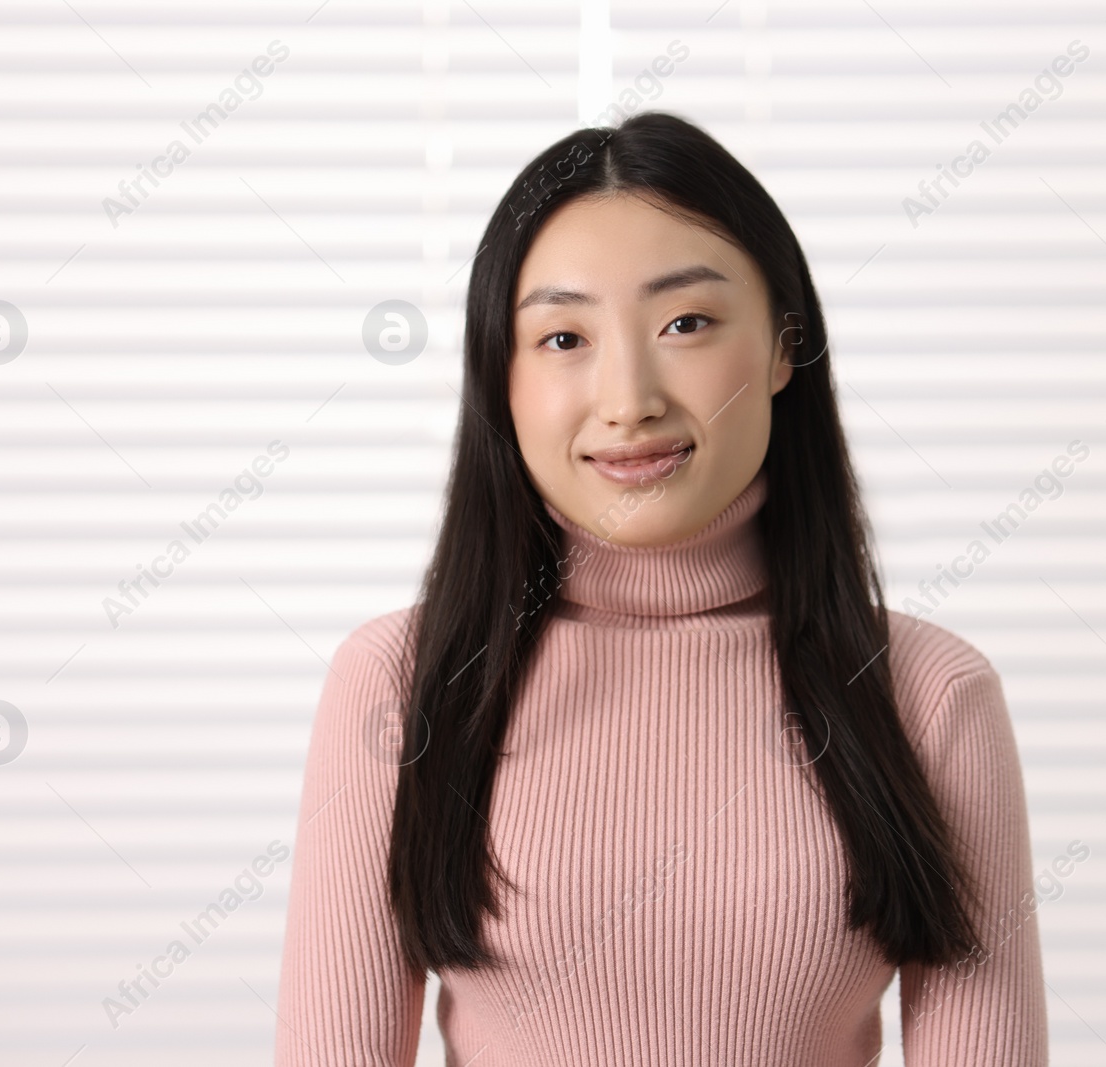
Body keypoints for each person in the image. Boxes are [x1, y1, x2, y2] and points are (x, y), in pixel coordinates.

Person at [275, 111, 1046, 1065]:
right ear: (500, 379)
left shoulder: (928, 695)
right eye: (562, 337)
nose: (628, 396)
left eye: (686, 322)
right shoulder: (399, 681)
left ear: (780, 348)